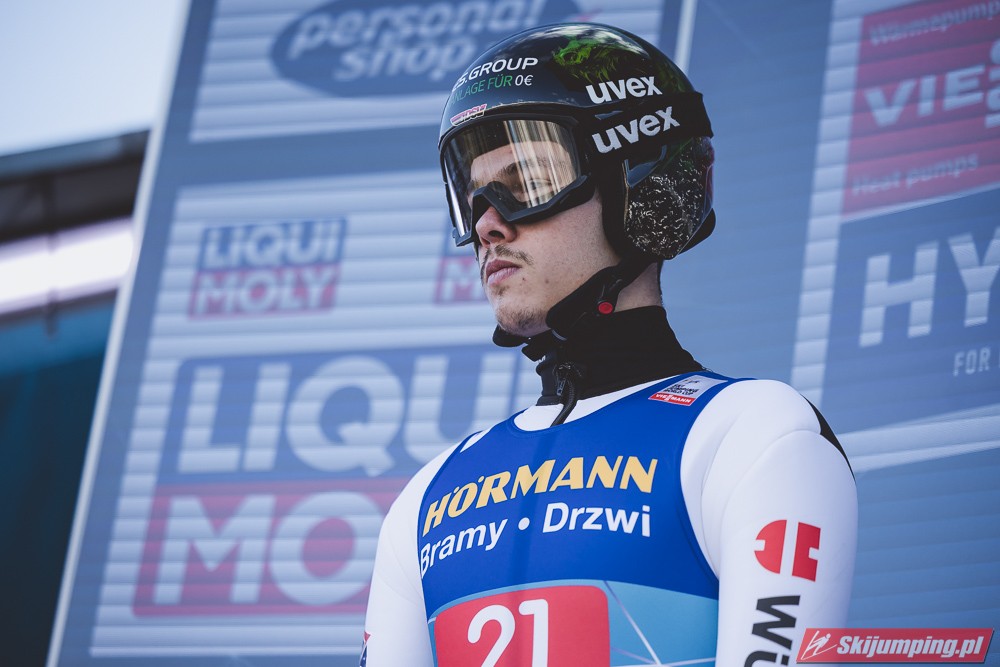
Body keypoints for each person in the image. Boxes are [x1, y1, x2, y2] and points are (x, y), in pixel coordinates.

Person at [362, 22, 857, 667]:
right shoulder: (425, 497)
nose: (488, 223)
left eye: (528, 180)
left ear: (638, 184)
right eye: (473, 197)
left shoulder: (753, 435)